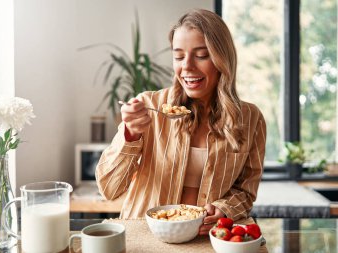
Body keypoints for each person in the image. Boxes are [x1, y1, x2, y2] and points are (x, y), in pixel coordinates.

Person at [96, 9, 266, 235]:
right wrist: (130, 135)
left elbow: (245, 191)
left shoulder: (251, 118)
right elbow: (109, 189)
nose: (187, 66)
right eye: (178, 56)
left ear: (222, 59)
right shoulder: (149, 107)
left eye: (202, 55)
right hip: (145, 235)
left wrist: (224, 209)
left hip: (207, 239)